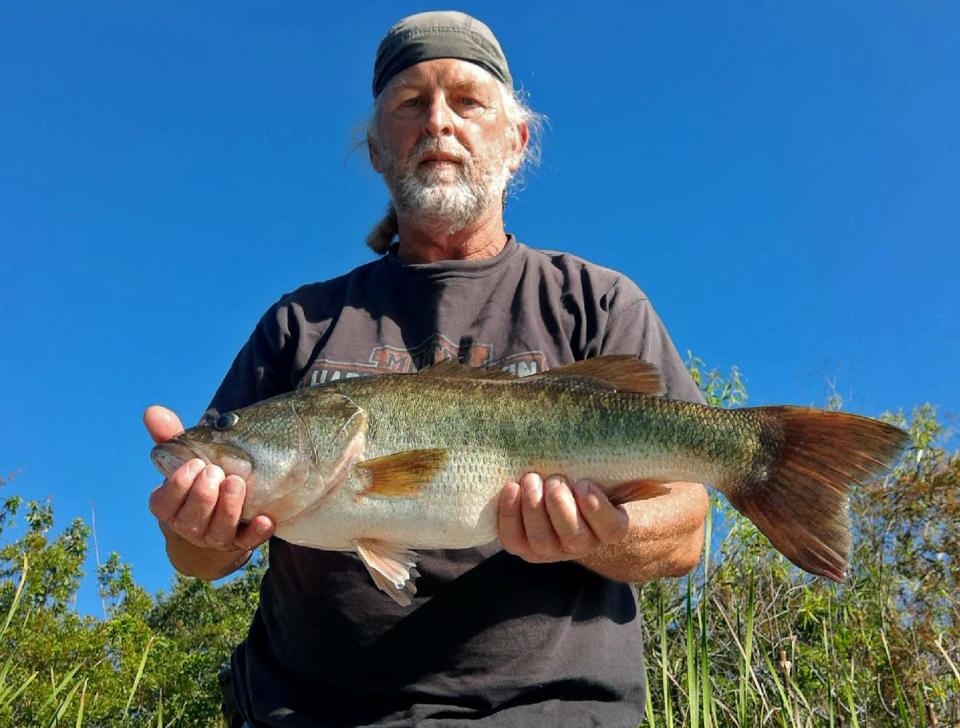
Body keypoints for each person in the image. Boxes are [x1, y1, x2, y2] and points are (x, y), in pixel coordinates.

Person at [146, 11, 709, 727]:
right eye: (410, 104)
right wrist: (197, 531)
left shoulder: (596, 302)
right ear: (378, 149)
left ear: (516, 142)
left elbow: (687, 526)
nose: (439, 123)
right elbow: (195, 558)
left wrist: (604, 536)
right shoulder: (299, 322)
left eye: (467, 102)